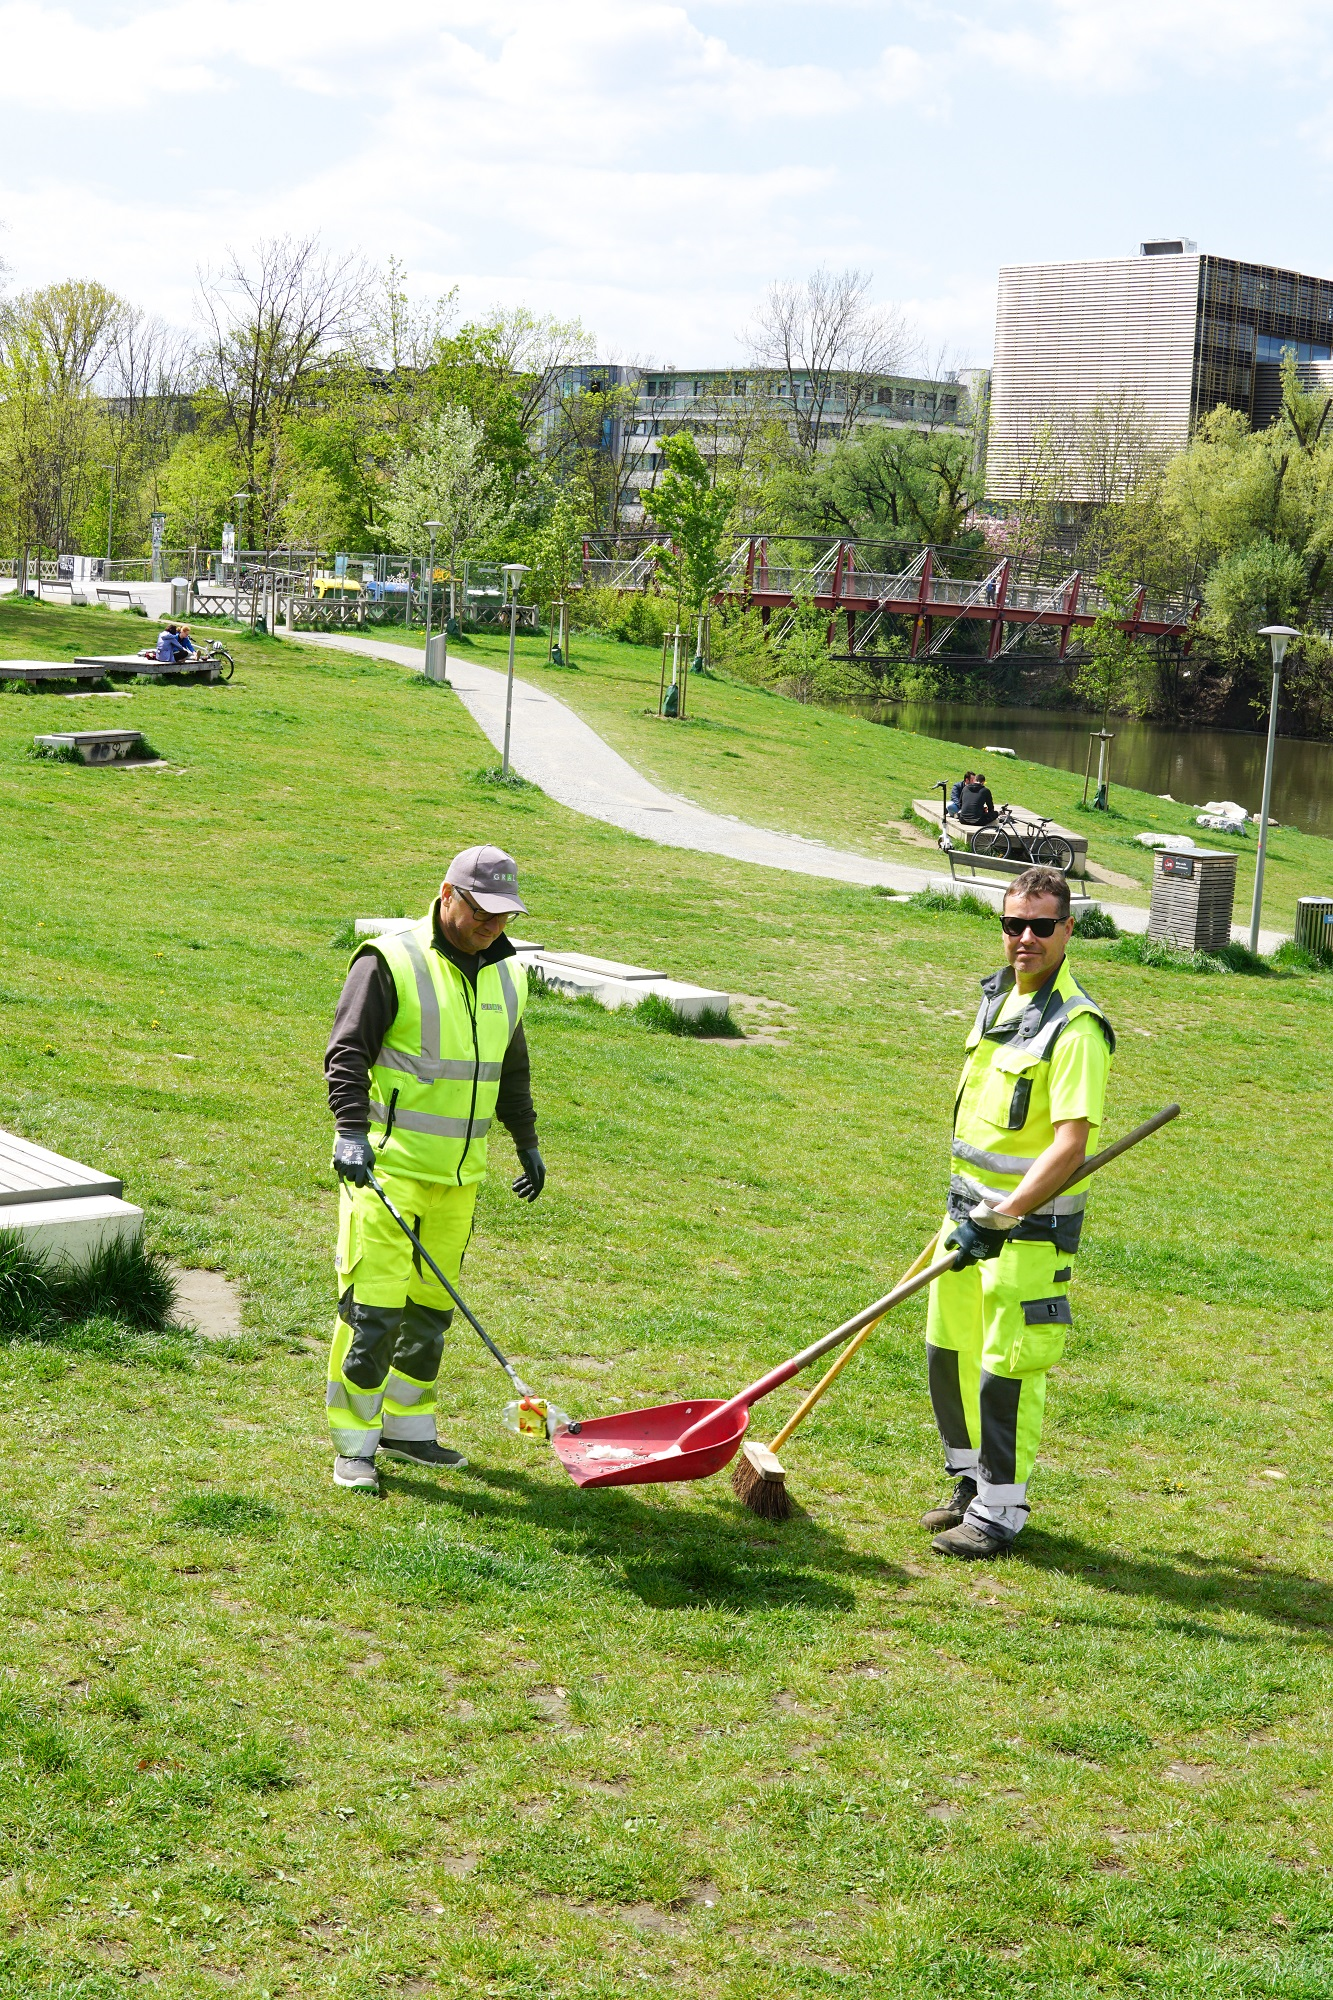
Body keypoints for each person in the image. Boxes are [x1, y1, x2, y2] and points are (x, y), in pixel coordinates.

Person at [323, 845, 545, 1494]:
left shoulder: (508, 974)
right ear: (447, 893)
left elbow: (512, 1067)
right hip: (386, 1173)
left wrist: (525, 1140)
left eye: (504, 916)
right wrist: (348, 1134)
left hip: (459, 1180)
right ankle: (354, 1446)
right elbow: (346, 1052)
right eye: (481, 911)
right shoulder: (389, 961)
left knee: (427, 1314)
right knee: (373, 1313)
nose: (492, 926)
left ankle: (408, 1428)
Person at [920, 866, 1114, 1559]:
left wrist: (1000, 1216)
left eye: (1039, 926)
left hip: (1025, 1233)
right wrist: (964, 1211)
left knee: (1007, 1367)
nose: (1023, 939)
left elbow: (1068, 1146)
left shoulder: (1077, 1027)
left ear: (1067, 930)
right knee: (948, 1352)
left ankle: (1001, 1511)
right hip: (964, 1219)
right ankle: (968, 1483)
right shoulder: (996, 999)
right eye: (1012, 925)